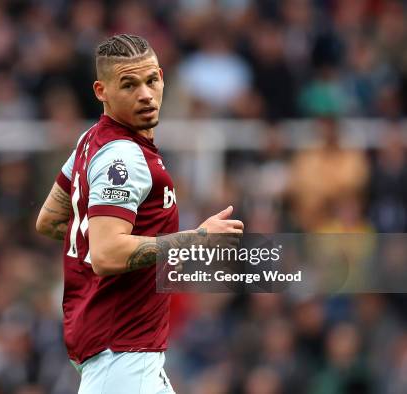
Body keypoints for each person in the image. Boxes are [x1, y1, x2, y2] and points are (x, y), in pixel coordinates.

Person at [36, 34, 244, 394]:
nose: (145, 94)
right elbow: (105, 253)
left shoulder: (90, 142)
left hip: (125, 351)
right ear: (101, 91)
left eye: (151, 81)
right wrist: (197, 240)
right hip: (121, 353)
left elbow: (51, 220)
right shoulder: (124, 158)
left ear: (163, 77)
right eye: (129, 85)